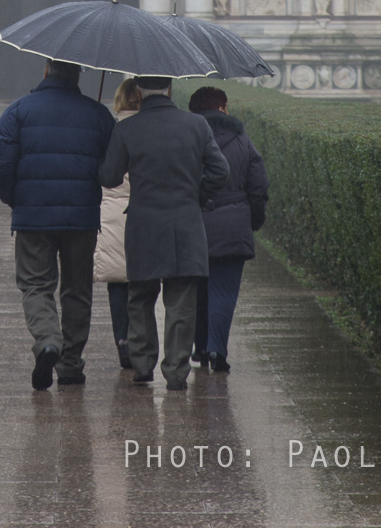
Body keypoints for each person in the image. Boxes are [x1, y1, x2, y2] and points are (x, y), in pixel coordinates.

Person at [0, 59, 116, 391]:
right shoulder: (98, 114)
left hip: (33, 217)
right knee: (78, 290)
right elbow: (112, 169)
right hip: (82, 218)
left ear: (46, 72)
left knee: (35, 285)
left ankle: (48, 341)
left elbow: (0, 160)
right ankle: (71, 364)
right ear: (77, 76)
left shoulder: (18, 111)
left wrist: (12, 198)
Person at [98, 75, 229, 390]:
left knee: (140, 296)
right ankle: (176, 370)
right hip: (185, 222)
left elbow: (110, 176)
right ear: (170, 89)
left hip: (144, 224)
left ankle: (143, 364)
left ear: (139, 94)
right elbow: (220, 171)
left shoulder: (127, 128)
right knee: (181, 300)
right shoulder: (196, 126)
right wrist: (197, 195)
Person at [188, 87, 269, 373]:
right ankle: (216, 350)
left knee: (196, 292)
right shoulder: (243, 141)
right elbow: (258, 186)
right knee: (223, 292)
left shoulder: (187, 138)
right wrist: (253, 220)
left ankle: (199, 348)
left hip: (193, 226)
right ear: (222, 108)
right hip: (232, 227)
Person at [92, 78, 142, 369]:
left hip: (112, 211)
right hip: (144, 210)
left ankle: (122, 340)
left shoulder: (110, 129)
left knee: (117, 281)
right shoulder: (151, 129)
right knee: (142, 280)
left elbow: (105, 173)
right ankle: (140, 338)